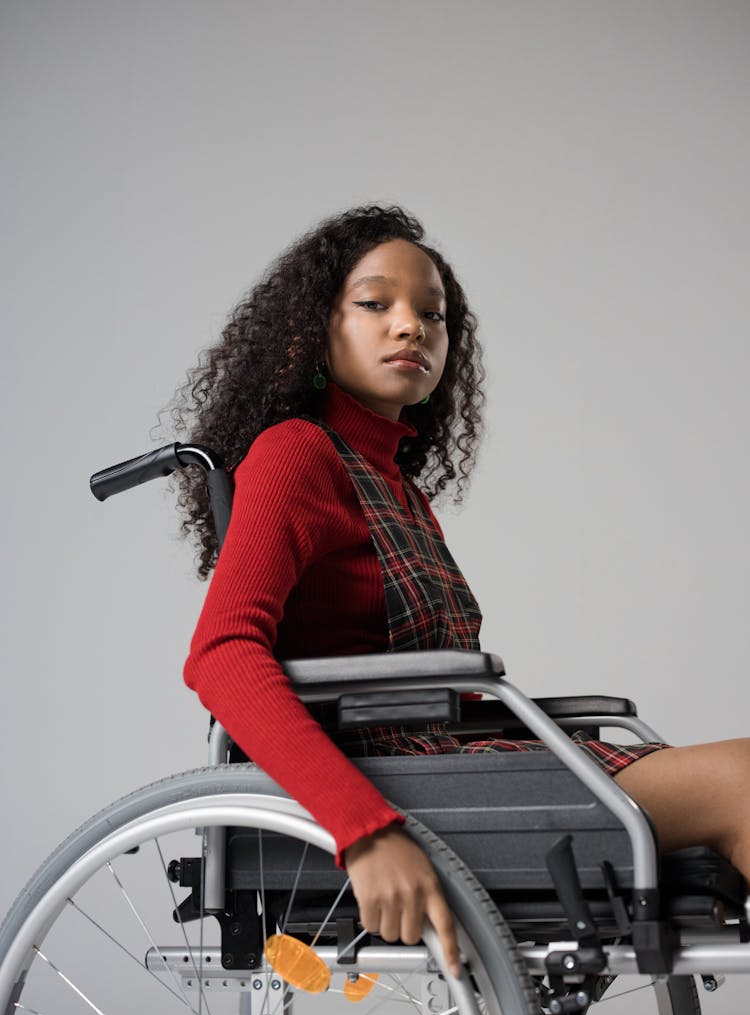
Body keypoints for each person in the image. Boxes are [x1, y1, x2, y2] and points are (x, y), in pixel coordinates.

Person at [172, 203, 750, 975]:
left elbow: (424, 677)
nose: (410, 326)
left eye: (432, 314)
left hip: (448, 762)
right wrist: (364, 829)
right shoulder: (294, 455)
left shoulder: (391, 481)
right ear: (317, 329)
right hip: (397, 786)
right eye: (375, 304)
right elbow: (221, 655)